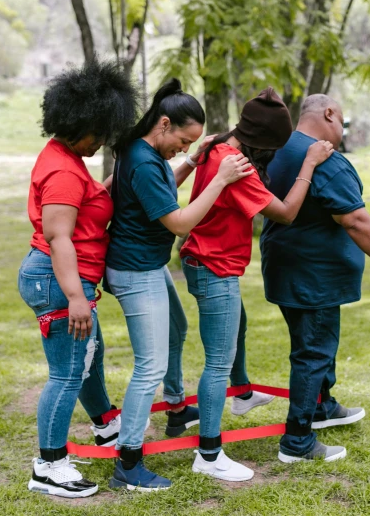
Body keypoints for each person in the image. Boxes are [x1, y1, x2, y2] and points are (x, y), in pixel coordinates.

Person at [103, 78, 254, 491]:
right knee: (148, 366)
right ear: (165, 124)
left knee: (178, 330)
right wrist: (220, 179)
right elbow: (181, 222)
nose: (183, 150)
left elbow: (165, 185)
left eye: (191, 145)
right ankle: (128, 463)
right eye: (184, 142)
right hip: (135, 271)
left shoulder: (142, 152)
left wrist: (192, 162)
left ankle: (175, 410)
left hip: (148, 266)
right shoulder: (145, 160)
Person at [179, 87, 334, 482]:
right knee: (218, 361)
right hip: (215, 268)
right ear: (263, 142)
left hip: (201, 261)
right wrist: (309, 165)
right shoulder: (238, 167)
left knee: (238, 329)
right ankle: (209, 454)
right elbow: (284, 214)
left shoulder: (216, 146)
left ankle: (243, 393)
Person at [260, 94, 370, 463]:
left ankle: (322, 406)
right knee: (313, 351)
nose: (342, 129)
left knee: (313, 343)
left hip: (285, 269)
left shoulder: (278, 149)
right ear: (328, 113)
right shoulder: (325, 159)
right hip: (313, 276)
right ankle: (297, 441)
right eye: (341, 120)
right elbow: (355, 219)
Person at [18, 60, 137, 498]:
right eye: (101, 133)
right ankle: (48, 466)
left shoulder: (66, 158)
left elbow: (93, 200)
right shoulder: (65, 170)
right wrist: (75, 297)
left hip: (64, 279)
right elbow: (59, 237)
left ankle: (106, 426)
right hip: (57, 279)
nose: (103, 140)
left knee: (90, 356)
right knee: (67, 373)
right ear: (82, 123)